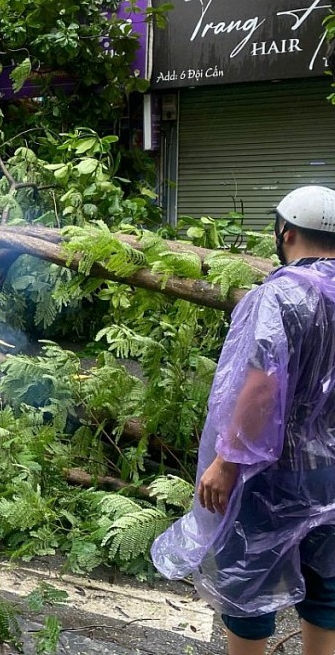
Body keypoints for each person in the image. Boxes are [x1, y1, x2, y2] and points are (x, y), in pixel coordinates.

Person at [152, 185, 335, 655]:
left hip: (272, 474)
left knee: (248, 584)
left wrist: (228, 461)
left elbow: (261, 389)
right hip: (331, 476)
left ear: (286, 233)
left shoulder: (279, 298)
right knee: (328, 587)